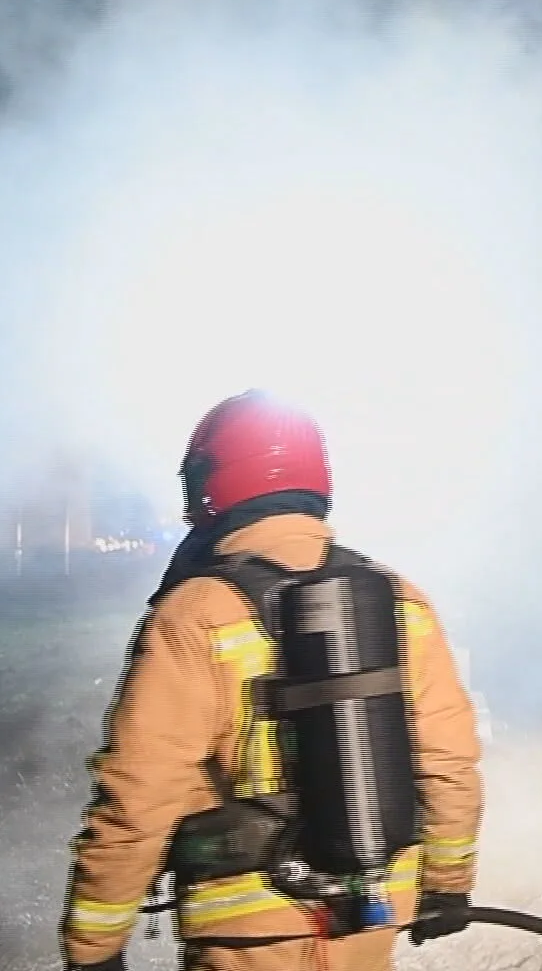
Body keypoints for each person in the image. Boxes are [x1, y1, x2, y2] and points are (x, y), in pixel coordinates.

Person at [62, 391, 482, 971]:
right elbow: (448, 761)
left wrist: (95, 946)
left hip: (249, 930)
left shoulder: (196, 613)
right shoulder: (398, 600)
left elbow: (139, 796)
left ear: (209, 484)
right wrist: (446, 884)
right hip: (373, 914)